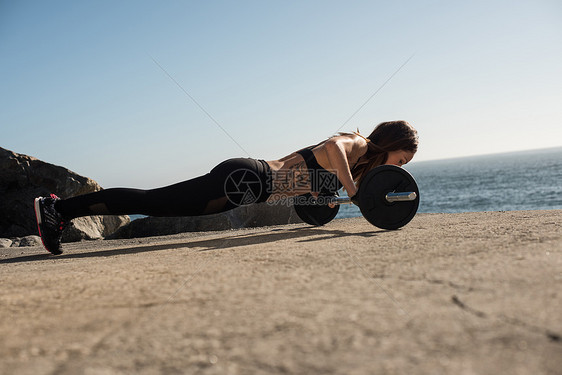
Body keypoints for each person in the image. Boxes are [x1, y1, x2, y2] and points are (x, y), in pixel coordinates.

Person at [34, 120, 418, 254]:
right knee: (151, 199)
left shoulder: (353, 165)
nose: (398, 168)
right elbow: (332, 147)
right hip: (248, 177)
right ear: (390, 144)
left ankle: (60, 212)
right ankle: (58, 210)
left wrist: (321, 197)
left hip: (245, 191)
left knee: (158, 207)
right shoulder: (358, 143)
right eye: (401, 161)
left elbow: (305, 184)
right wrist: (352, 190)